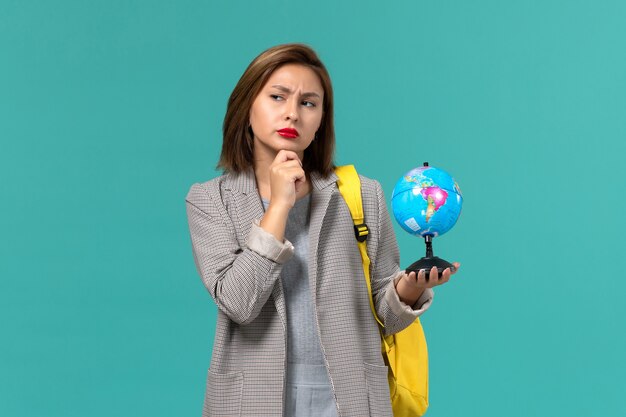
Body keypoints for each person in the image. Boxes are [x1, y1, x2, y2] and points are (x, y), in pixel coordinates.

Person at [185, 43, 460, 417]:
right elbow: (238, 304)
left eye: (308, 103)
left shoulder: (362, 195)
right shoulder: (210, 200)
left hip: (350, 400)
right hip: (251, 402)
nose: (292, 114)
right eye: (277, 97)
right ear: (246, 107)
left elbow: (389, 317)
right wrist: (280, 205)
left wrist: (410, 288)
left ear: (320, 121)